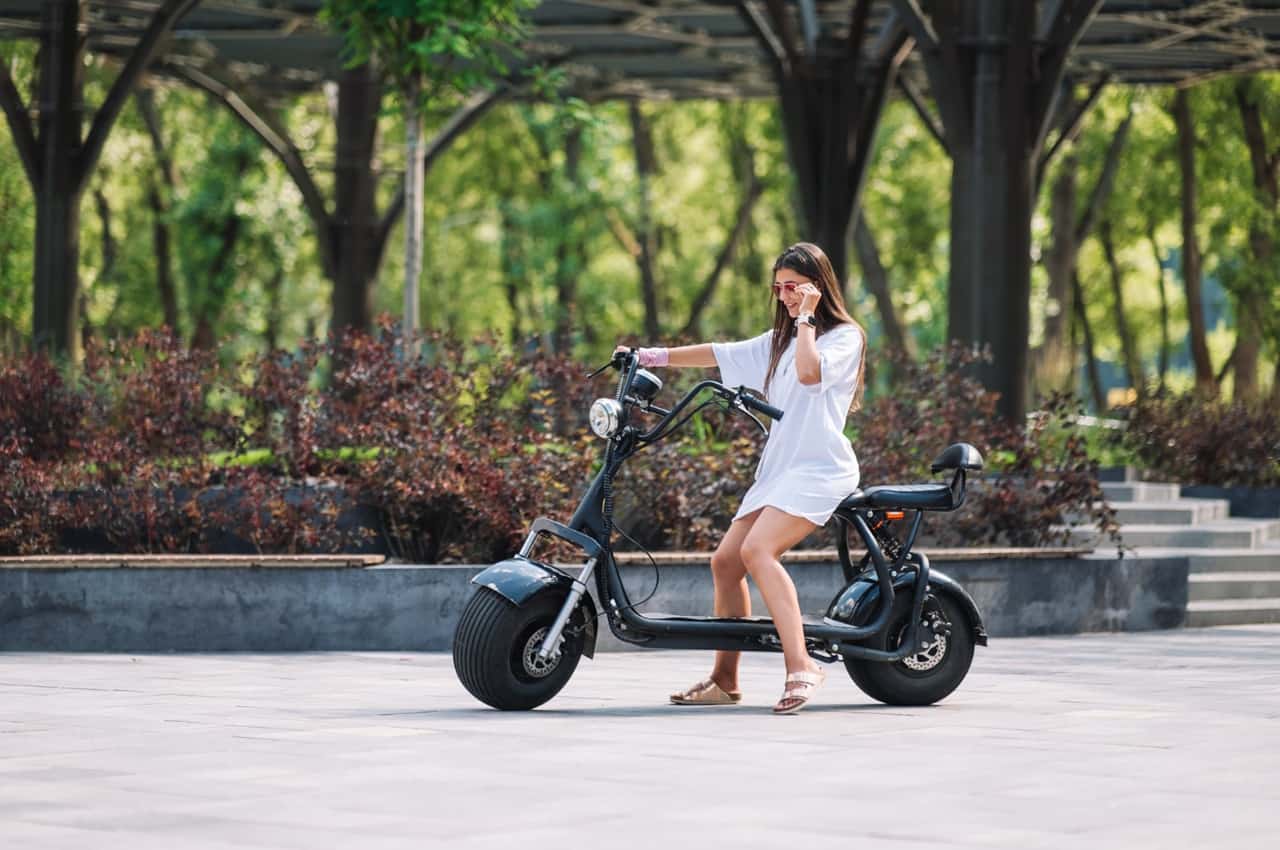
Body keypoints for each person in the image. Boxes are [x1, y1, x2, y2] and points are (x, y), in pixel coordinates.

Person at [614, 242, 867, 715]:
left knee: (758, 551)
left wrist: (808, 318)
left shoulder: (843, 338)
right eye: (780, 289)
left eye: (795, 288)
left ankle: (802, 666)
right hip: (779, 468)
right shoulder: (776, 343)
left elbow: (811, 375)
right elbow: (715, 352)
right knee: (727, 562)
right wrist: (648, 357)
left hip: (819, 467)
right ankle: (724, 680)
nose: (786, 297)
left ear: (818, 286)